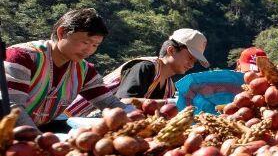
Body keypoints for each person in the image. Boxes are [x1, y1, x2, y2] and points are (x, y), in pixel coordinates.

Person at [4, 8, 128, 130]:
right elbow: (11, 106)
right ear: (62, 33)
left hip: (38, 130)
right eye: (85, 42)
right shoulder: (22, 57)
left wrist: (136, 116)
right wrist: (37, 138)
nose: (89, 50)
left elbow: (110, 103)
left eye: (95, 45)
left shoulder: (84, 70)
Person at [66, 28, 209, 115]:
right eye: (190, 58)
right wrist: (173, 102)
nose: (191, 65)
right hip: (73, 119)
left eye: (195, 62)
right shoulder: (145, 67)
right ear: (171, 50)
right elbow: (124, 103)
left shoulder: (169, 87)